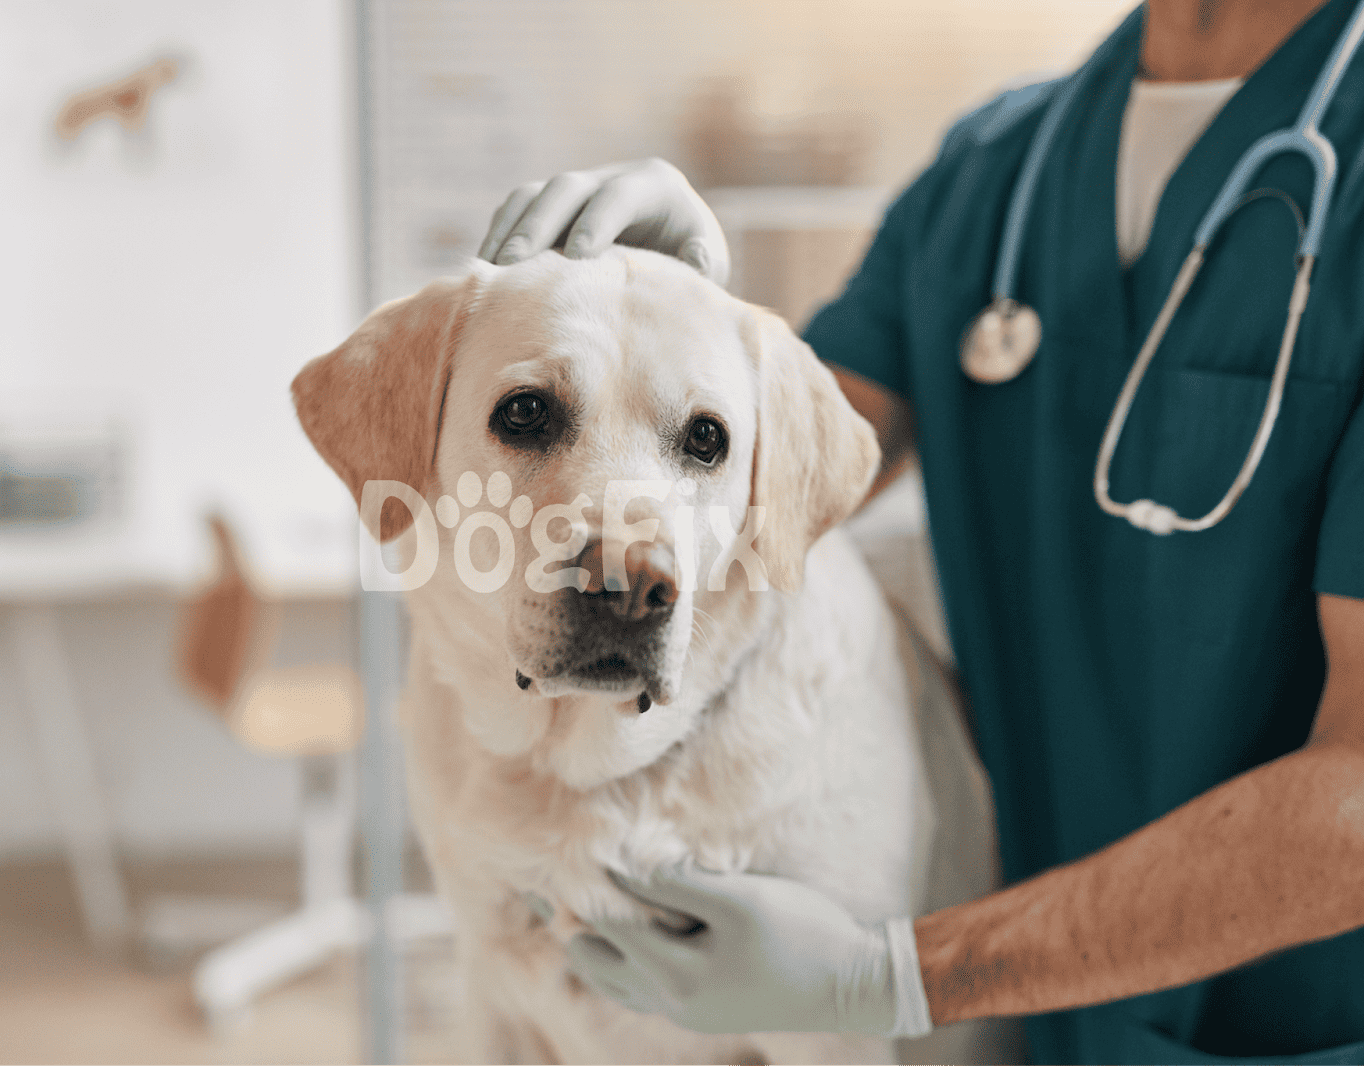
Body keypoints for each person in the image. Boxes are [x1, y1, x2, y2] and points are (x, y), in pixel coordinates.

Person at [475, 0, 1364, 1061]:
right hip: (1027, 1017)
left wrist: (890, 973)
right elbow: (775, 479)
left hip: (1291, 1025)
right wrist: (679, 319)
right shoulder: (992, 173)